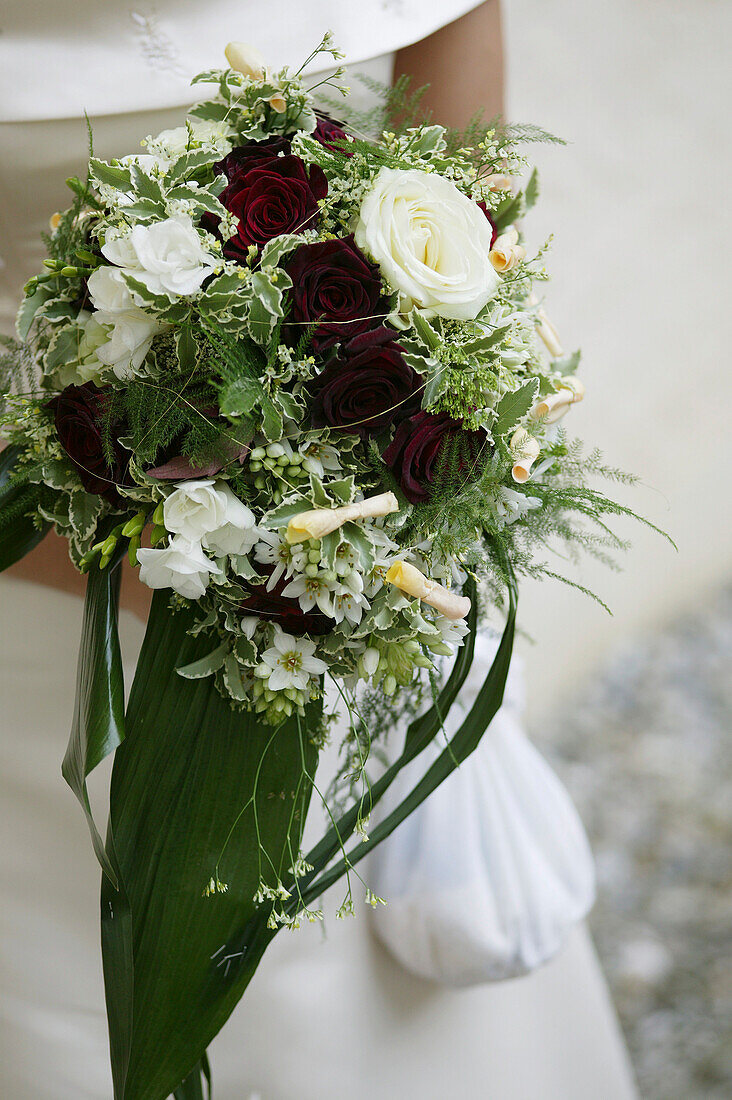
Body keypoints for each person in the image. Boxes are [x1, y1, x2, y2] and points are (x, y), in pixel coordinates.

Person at [0, 3, 637, 1095]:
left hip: (366, 562)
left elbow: (473, 211)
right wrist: (182, 545)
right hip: (51, 568)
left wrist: (429, 451)